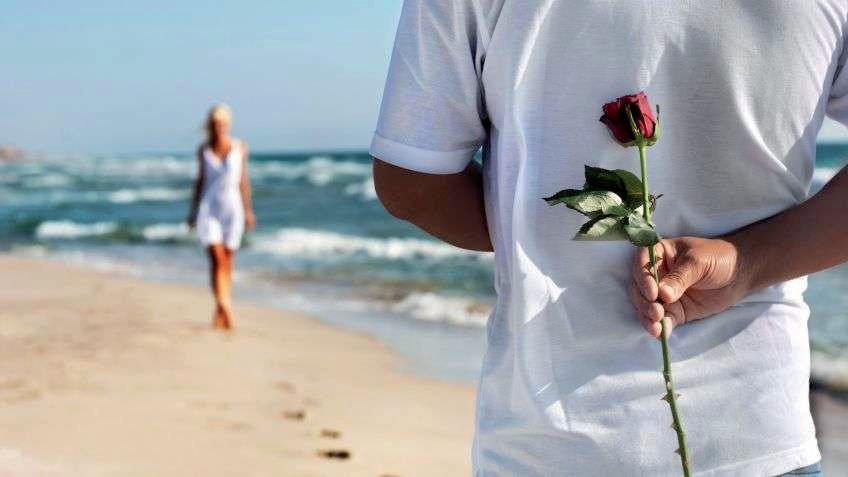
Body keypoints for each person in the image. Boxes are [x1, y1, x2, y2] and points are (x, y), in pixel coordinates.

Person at [370, 1, 848, 475]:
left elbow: (412, 180)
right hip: (761, 431)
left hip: (553, 440)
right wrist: (745, 262)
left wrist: (541, 233)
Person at [188, 104, 256, 330]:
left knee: (227, 261)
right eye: (216, 124)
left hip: (233, 210)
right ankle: (225, 306)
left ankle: (221, 305)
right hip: (209, 210)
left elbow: (243, 181)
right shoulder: (204, 150)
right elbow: (200, 182)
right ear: (211, 125)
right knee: (217, 259)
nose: (220, 128)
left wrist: (248, 210)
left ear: (228, 124)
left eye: (223, 124)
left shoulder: (240, 147)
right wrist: (193, 212)